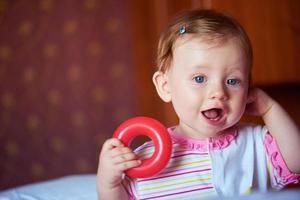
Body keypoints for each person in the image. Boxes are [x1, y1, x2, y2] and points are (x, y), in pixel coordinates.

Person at [97, 9, 300, 199]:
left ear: (248, 89)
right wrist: (110, 184)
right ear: (165, 86)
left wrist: (270, 109)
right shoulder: (146, 159)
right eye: (200, 79)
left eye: (232, 81)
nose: (219, 93)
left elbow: (297, 162)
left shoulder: (256, 144)